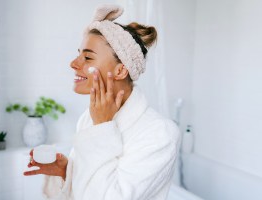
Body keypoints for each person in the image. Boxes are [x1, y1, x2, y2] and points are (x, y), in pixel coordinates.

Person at [24, 4, 180, 200]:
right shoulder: (89, 119)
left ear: (121, 71)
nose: (73, 63)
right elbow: (86, 188)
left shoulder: (159, 134)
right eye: (79, 53)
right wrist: (67, 172)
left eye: (87, 57)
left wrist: (103, 127)